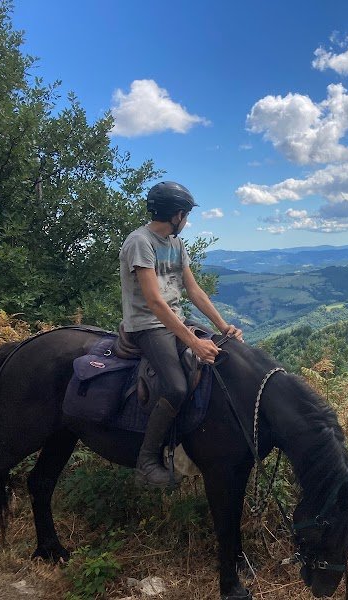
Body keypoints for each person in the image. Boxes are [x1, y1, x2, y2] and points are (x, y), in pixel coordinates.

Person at [119, 181, 243, 488]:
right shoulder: (140, 242)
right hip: (147, 325)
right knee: (175, 387)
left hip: (173, 320)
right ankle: (147, 462)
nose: (186, 220)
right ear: (177, 215)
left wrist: (222, 326)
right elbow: (154, 302)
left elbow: (193, 289)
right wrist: (194, 342)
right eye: (186, 214)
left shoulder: (175, 244)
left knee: (221, 355)